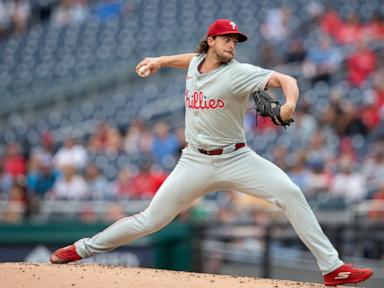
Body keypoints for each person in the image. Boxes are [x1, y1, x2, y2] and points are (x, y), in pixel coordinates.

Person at [50, 19, 373, 286]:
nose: (232, 45)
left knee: (290, 192)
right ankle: (80, 249)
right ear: (211, 42)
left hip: (237, 158)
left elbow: (286, 78)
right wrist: (160, 61)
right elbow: (188, 61)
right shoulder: (195, 63)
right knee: (150, 220)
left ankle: (332, 268)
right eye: (227, 40)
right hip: (194, 161)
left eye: (236, 41)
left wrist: (289, 103)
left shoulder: (238, 72)